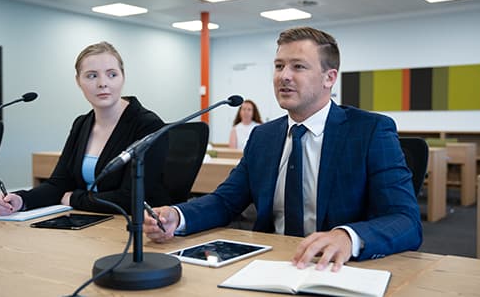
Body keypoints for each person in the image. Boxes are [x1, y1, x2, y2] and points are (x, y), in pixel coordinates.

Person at [143, 27, 422, 271]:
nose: (283, 76)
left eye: (298, 67)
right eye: (278, 66)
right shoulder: (263, 136)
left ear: (329, 78)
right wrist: (177, 217)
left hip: (338, 269)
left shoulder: (370, 131)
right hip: (271, 262)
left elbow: (406, 220)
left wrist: (348, 237)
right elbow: (226, 201)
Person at [0, 41, 169, 215]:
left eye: (112, 74)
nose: (102, 83)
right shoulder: (82, 124)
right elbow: (59, 184)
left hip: (136, 228)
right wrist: (21, 200)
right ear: (78, 81)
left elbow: (131, 198)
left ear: (123, 77)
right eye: (92, 75)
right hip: (92, 222)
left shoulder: (147, 125)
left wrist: (73, 199)